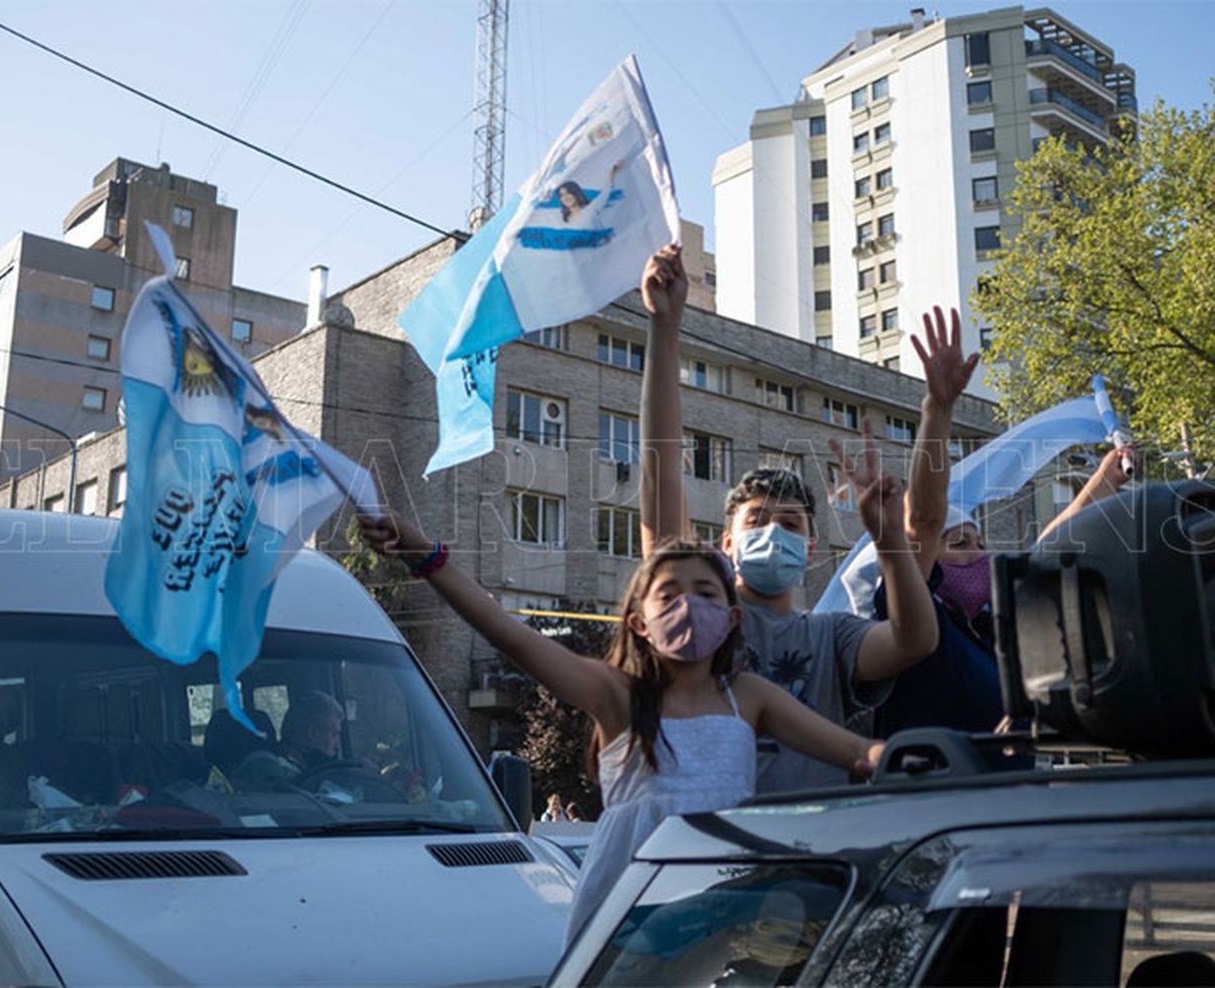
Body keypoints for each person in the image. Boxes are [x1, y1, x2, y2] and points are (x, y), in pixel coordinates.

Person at [358, 513, 885, 945]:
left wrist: (911, 759)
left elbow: (858, 753)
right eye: (669, 594)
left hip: (720, 900)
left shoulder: (747, 696)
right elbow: (509, 634)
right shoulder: (618, 695)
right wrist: (424, 554)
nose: (689, 605)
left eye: (706, 593)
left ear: (730, 618)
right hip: (628, 907)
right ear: (638, 621)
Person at [637, 245, 938, 793]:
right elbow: (660, 480)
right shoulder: (701, 620)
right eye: (756, 521)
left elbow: (913, 640)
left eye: (791, 524)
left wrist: (889, 538)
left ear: (815, 547)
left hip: (816, 852)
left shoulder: (831, 637)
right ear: (725, 543)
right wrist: (664, 329)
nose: (773, 533)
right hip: (714, 842)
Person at [873, 306, 1135, 738]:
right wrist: (937, 409)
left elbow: (1050, 544)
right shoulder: (907, 618)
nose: (977, 555)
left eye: (978, 542)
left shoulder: (998, 628)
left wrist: (1107, 476)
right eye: (958, 544)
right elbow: (923, 518)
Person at [232, 691, 345, 788]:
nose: (337, 746)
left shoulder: (311, 769)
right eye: (334, 735)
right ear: (313, 733)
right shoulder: (263, 766)